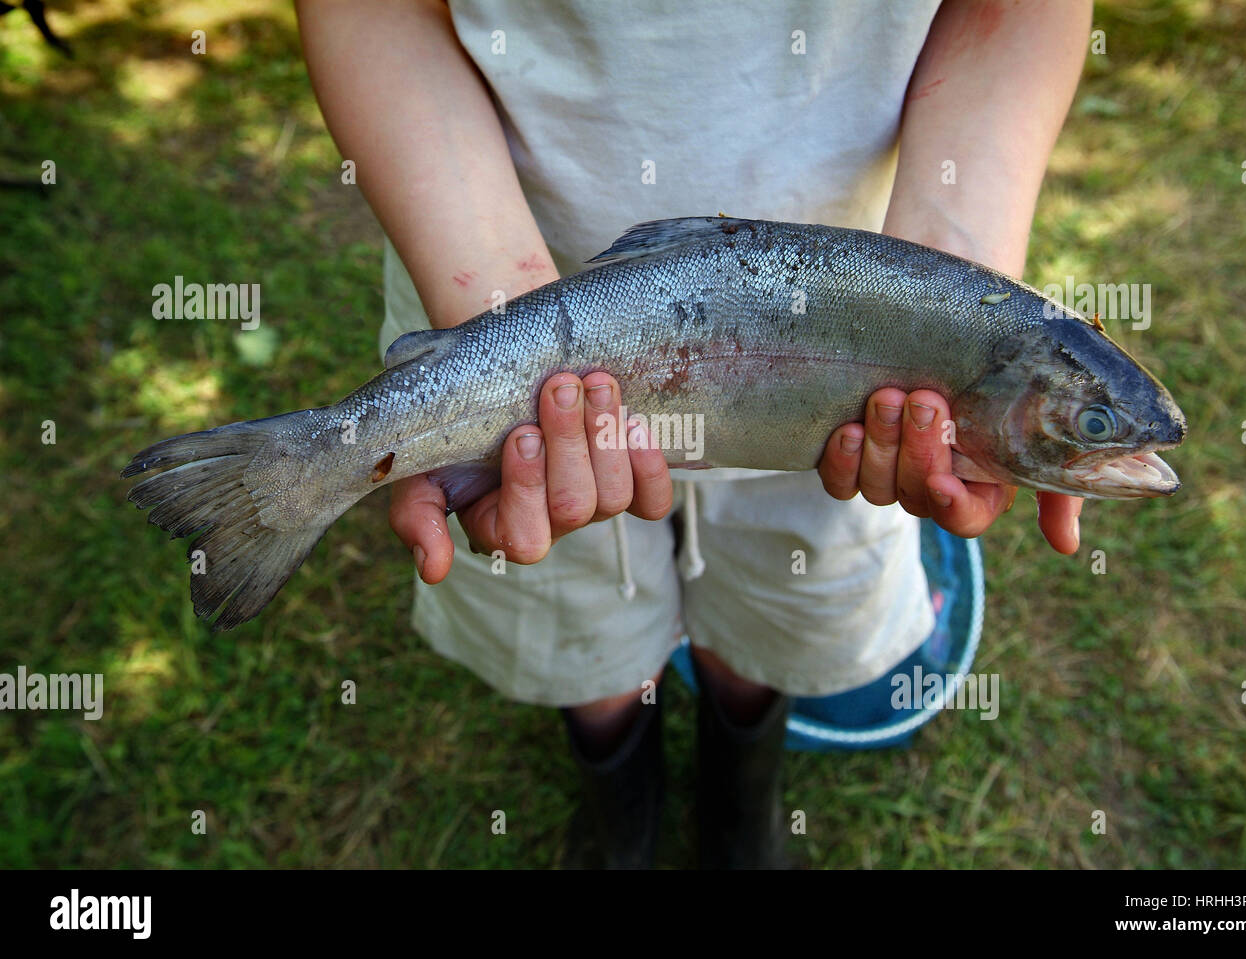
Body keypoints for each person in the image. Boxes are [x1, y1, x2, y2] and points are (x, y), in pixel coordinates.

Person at [296, 0, 1091, 868]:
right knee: (576, 617)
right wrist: (493, 314)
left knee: (778, 603)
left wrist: (951, 289)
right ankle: (620, 826)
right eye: (1091, 421)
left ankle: (739, 816)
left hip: (854, 338)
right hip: (489, 276)